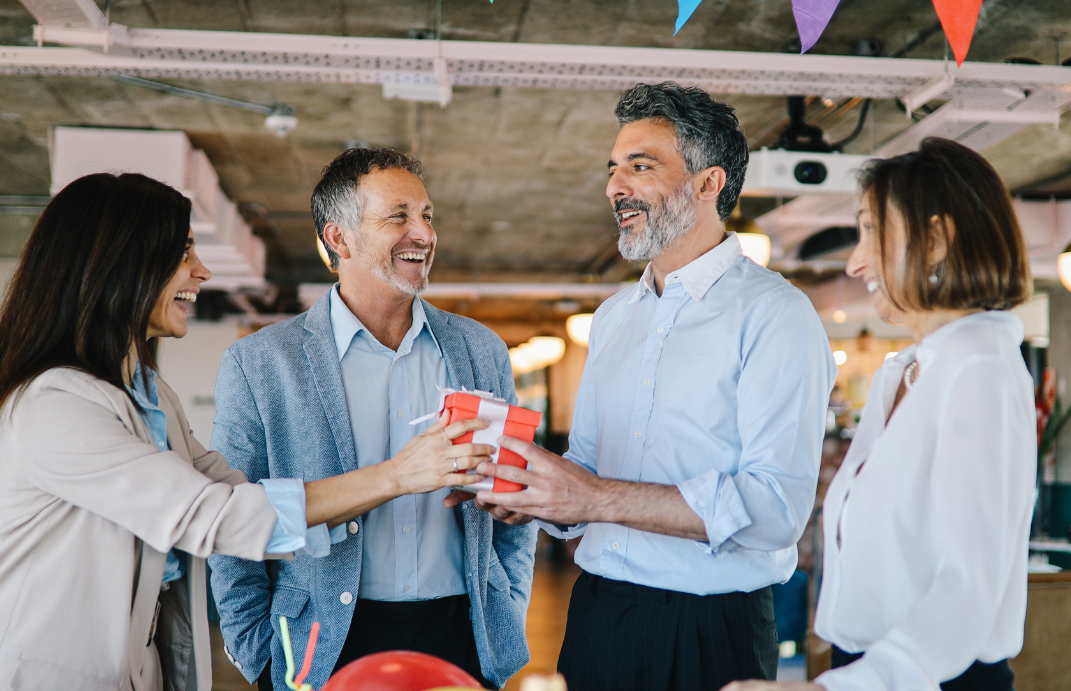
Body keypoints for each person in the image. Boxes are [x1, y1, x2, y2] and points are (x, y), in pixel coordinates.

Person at [465, 82, 836, 691]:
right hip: (597, 618)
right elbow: (587, 469)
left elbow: (774, 512)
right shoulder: (614, 316)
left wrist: (594, 498)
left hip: (709, 631)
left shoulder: (775, 314)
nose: (616, 187)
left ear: (708, 183)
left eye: (641, 167)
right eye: (614, 169)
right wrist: (530, 496)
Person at [0, 173, 325, 691]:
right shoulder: (53, 404)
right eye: (183, 252)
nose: (201, 271)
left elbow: (236, 493)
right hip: (24, 675)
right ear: (121, 264)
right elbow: (212, 517)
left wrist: (401, 479)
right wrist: (398, 476)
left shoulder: (150, 395)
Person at [208, 147, 537, 691]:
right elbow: (231, 519)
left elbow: (513, 503)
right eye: (398, 217)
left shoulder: (481, 350)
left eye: (427, 216)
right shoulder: (262, 363)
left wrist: (506, 608)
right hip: (321, 639)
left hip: (461, 631)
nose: (423, 234)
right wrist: (257, 653)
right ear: (339, 238)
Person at [725, 138, 1035, 691]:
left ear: (937, 239)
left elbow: (969, 587)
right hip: (868, 668)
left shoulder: (980, 369)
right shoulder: (906, 370)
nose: (854, 260)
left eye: (870, 230)